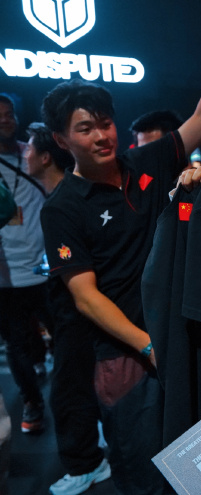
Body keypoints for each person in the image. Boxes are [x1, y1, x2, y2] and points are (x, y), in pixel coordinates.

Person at [39, 5, 201, 494]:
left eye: (105, 123)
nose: (102, 136)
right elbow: (85, 297)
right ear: (61, 139)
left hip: (180, 336)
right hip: (126, 354)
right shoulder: (62, 208)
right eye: (85, 128)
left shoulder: (148, 161)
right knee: (143, 472)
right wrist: (147, 345)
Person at [26, 122, 112, 495]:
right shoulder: (69, 196)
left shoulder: (62, 202)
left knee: (68, 392)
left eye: (29, 148)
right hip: (74, 313)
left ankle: (86, 465)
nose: (24, 154)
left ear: (47, 156)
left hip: (78, 316)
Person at [0, 93, 50, 434]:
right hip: (5, 277)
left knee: (66, 340)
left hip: (45, 270)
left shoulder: (34, 153)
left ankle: (80, 400)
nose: (6, 120)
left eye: (9, 114)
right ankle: (32, 401)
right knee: (16, 346)